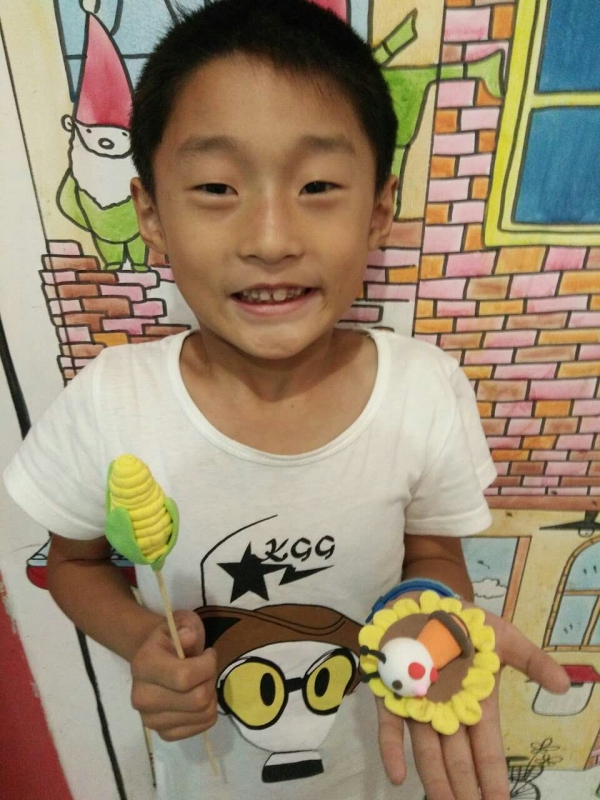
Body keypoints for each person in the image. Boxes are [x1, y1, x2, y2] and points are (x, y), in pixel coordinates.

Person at [4, 2, 569, 799]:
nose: (270, 239)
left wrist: (434, 617)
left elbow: (434, 554)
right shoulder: (111, 400)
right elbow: (74, 564)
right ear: (151, 215)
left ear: (378, 212)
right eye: (216, 187)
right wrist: (141, 640)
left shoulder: (422, 391)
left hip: (382, 768)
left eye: (318, 186)